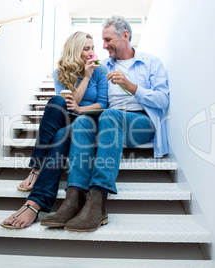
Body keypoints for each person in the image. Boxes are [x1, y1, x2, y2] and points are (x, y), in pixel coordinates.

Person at [41, 16, 170, 232]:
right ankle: (73, 198)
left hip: (141, 122)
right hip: (109, 121)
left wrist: (131, 86)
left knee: (110, 115)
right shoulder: (102, 66)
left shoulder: (151, 63)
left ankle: (98, 202)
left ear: (125, 36)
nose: (103, 46)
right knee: (82, 122)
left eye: (108, 39)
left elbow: (163, 100)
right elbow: (93, 100)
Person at [0, 31, 108, 229]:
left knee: (60, 134)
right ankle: (36, 172)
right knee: (56, 101)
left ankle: (34, 199)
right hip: (67, 115)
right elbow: (67, 102)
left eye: (92, 48)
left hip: (88, 119)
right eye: (86, 49)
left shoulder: (100, 71)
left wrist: (81, 108)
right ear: (75, 50)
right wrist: (84, 78)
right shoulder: (61, 71)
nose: (91, 52)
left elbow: (102, 104)